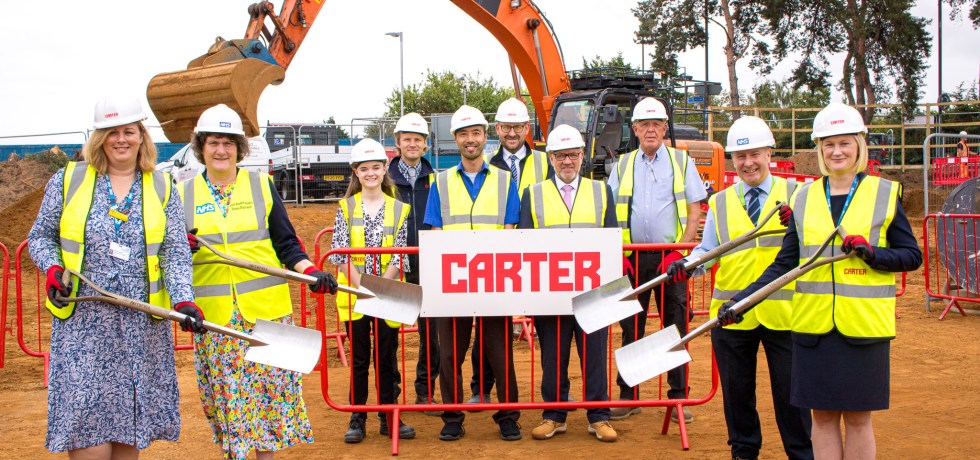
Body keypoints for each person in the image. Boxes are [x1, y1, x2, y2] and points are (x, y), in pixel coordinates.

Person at [719, 102, 921, 460]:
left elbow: (911, 256)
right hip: (812, 331)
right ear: (819, 149)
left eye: (844, 142)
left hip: (862, 329)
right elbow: (784, 265)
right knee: (822, 419)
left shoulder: (884, 193)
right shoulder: (804, 197)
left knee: (858, 420)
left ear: (859, 145)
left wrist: (873, 253)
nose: (837, 151)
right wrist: (741, 301)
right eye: (829, 144)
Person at [28, 94, 201, 457]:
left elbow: (174, 250)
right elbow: (40, 236)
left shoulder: (161, 186)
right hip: (85, 326)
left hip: (141, 329)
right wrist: (53, 268)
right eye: (112, 132)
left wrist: (184, 298)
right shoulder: (68, 180)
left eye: (129, 131)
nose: (121, 139)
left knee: (129, 435)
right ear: (98, 138)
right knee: (88, 431)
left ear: (142, 136)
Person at [180, 104, 338, 459]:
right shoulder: (182, 194)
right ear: (201, 147)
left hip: (266, 314)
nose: (221, 150)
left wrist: (309, 270)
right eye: (214, 142)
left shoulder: (261, 184)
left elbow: (286, 244)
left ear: (240, 148)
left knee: (268, 402)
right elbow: (170, 257)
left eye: (229, 143)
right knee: (229, 399)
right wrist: (181, 248)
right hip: (216, 319)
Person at [663, 116, 812, 459]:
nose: (748, 163)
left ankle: (802, 453)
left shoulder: (797, 194)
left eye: (755, 155)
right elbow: (709, 250)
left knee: (792, 395)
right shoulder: (721, 201)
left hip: (785, 313)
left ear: (769, 153)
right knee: (737, 392)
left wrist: (802, 225)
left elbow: (816, 244)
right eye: (740, 157)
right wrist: (686, 265)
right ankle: (744, 450)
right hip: (732, 315)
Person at [423, 105, 522, 442]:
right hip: (453, 283)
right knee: (450, 352)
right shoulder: (441, 181)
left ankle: (508, 414)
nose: (470, 139)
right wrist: (459, 271)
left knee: (499, 351)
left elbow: (509, 229)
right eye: (463, 134)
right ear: (455, 139)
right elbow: (435, 230)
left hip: (493, 281)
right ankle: (452, 417)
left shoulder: (506, 181)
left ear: (485, 136)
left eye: (475, 133)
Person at [606, 96, 707, 423]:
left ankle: (678, 398)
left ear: (665, 128)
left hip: (670, 259)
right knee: (630, 327)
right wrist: (619, 254)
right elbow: (611, 213)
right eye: (644, 125)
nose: (651, 130)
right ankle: (628, 395)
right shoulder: (622, 165)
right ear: (635, 129)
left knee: (675, 326)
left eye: (656, 124)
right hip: (633, 259)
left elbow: (695, 210)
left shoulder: (682, 162)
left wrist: (682, 250)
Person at [520, 125, 619, 443]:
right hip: (550, 294)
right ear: (550, 158)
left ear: (582, 156)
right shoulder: (533, 194)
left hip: (593, 292)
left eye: (573, 155)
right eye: (561, 155)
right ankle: (554, 415)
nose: (568, 161)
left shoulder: (601, 191)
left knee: (594, 357)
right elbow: (524, 245)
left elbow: (611, 241)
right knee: (553, 356)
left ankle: (599, 416)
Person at [468, 97, 555, 404]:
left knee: (548, 326)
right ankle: (481, 388)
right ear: (498, 129)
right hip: (498, 255)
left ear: (526, 128)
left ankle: (555, 393)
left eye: (518, 127)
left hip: (538, 255)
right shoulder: (488, 166)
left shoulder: (547, 162)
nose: (512, 133)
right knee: (490, 326)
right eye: (506, 127)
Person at [329, 138, 415, 444]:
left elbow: (400, 254)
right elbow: (340, 255)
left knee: (387, 359)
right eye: (364, 168)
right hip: (355, 296)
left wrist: (381, 287)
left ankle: (388, 416)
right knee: (362, 359)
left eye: (376, 167)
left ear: (384, 169)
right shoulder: (346, 207)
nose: (371, 173)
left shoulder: (399, 208)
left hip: (387, 295)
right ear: (355, 171)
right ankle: (357, 417)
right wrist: (363, 287)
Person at [387, 112, 441, 415]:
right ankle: (391, 393)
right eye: (407, 138)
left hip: (427, 262)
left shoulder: (435, 178)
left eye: (417, 139)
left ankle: (425, 391)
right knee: (389, 329)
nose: (412, 144)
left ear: (425, 145)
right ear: (397, 143)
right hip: (392, 262)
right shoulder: (383, 177)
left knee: (430, 331)